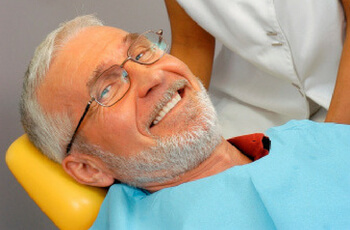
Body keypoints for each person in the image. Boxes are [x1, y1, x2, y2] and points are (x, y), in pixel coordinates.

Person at [20, 15, 350, 229]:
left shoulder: (310, 141)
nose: (151, 76)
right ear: (89, 169)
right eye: (107, 88)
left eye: (140, 52)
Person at [164, 0, 349, 138]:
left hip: (341, 89)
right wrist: (174, 137)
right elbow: (191, 44)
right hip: (249, 104)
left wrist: (330, 139)